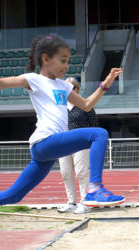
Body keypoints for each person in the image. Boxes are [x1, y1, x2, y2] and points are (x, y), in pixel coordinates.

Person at [0, 35, 125, 234]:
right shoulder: (34, 80)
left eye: (68, 61)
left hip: (46, 151)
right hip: (45, 141)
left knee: (14, 195)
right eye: (63, 60)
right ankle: (94, 188)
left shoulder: (63, 86)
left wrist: (107, 82)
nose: (67, 65)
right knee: (99, 134)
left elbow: (86, 105)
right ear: (46, 59)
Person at [57, 77, 99, 214]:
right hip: (63, 144)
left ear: (77, 89)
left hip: (81, 144)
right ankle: (71, 202)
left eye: (72, 88)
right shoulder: (59, 107)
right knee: (65, 173)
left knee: (81, 173)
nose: (69, 90)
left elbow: (94, 125)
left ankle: (85, 203)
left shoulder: (85, 105)